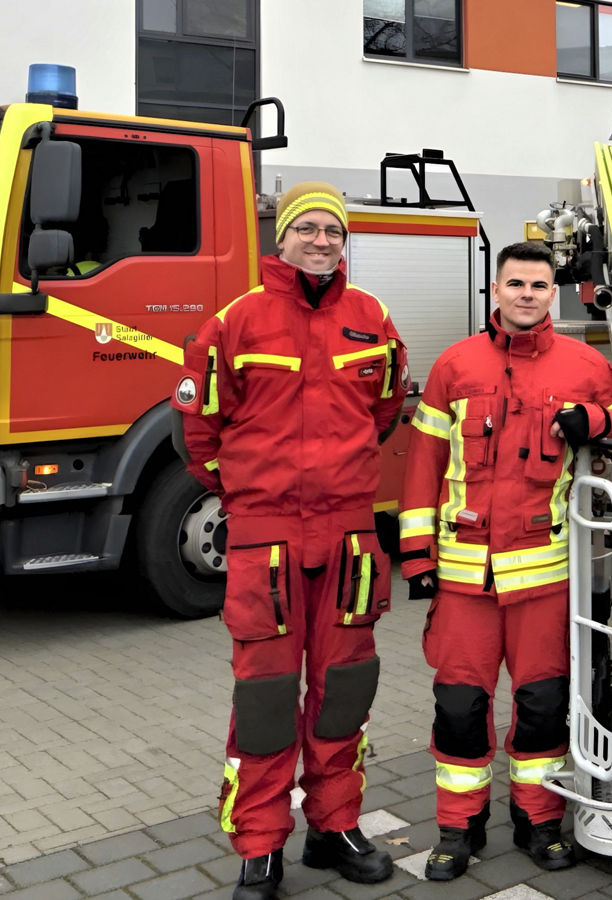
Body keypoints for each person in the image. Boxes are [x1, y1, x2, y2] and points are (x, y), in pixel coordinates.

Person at [172, 182, 404, 900]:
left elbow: (386, 407)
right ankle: (261, 847)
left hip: (348, 534)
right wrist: (249, 493)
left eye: (332, 230)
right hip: (265, 539)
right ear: (283, 239)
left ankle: (333, 830)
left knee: (343, 691)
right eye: (307, 228)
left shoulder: (374, 318)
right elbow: (200, 431)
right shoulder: (235, 321)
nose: (321, 241)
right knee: (268, 697)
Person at [398, 241, 612, 880]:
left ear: (552, 293)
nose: (528, 294)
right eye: (516, 284)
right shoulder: (454, 366)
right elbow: (422, 466)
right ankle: (458, 829)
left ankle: (539, 822)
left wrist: (597, 418)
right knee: (460, 710)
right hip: (465, 577)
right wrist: (416, 556)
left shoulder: (587, 365)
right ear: (495, 290)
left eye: (539, 285)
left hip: (546, 577)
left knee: (542, 707)